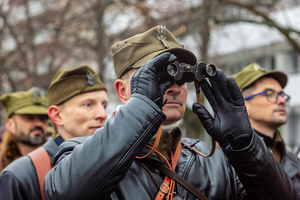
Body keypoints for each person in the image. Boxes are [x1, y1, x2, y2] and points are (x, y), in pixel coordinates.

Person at [44, 26, 298, 200]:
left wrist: (245, 144)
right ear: (122, 91)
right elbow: (64, 192)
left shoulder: (215, 161)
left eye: (180, 76)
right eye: (157, 77)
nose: (174, 87)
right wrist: (143, 106)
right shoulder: (78, 151)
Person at [0, 65, 108, 200]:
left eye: (104, 105)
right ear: (57, 116)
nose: (102, 114)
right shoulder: (20, 176)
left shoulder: (116, 160)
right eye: (88, 104)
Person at [232, 63, 300, 197]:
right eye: (269, 93)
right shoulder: (225, 160)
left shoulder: (293, 160)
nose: (281, 101)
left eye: (281, 94)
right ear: (243, 105)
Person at [0, 87, 49, 171]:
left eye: (42, 118)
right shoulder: (2, 163)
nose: (39, 123)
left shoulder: (59, 157)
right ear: (10, 124)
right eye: (29, 118)